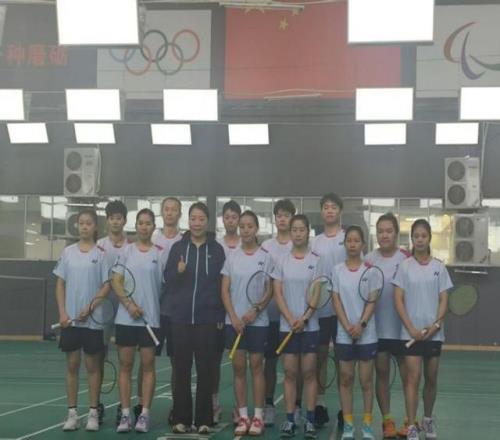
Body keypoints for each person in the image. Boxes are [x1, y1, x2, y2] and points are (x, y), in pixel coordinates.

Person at [165, 202, 226, 434]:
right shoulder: (177, 248)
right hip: (180, 319)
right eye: (193, 218)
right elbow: (168, 280)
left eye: (201, 219)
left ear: (207, 221)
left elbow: (221, 285)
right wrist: (178, 272)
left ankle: (204, 420)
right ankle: (181, 418)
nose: (197, 223)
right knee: (181, 369)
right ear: (188, 221)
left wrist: (219, 314)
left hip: (207, 319)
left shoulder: (217, 250)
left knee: (205, 370)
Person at [393, 219, 453, 440]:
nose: (419, 239)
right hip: (410, 334)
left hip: (433, 335)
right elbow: (398, 300)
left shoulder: (439, 267)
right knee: (412, 378)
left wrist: (436, 325)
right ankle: (411, 425)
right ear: (412, 239)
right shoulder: (404, 267)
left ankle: (428, 420)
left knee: (431, 378)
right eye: (416, 236)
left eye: (423, 236)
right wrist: (411, 328)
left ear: (429, 238)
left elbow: (444, 299)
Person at [53, 209, 110, 432]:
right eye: (81, 223)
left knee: (92, 366)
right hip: (71, 321)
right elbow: (60, 284)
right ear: (77, 226)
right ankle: (72, 414)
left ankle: (93, 413)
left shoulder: (102, 254)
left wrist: (91, 306)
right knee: (72, 365)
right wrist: (62, 313)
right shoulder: (67, 253)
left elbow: (106, 286)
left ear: (95, 227)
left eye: (89, 223)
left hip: (93, 321)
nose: (84, 226)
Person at [112, 208, 167, 433]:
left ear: (154, 227)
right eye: (140, 223)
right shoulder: (126, 251)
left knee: (148, 366)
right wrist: (129, 305)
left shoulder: (160, 254)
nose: (144, 226)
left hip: (150, 320)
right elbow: (116, 281)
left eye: (148, 223)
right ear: (135, 226)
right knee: (125, 366)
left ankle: (144, 414)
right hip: (126, 319)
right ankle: (126, 415)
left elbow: (165, 286)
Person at [222, 210, 273, 436]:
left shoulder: (266, 256)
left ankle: (258, 417)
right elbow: (224, 290)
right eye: (242, 226)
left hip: (258, 322)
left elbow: (270, 289)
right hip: (234, 323)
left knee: (257, 367)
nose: (245, 230)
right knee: (239, 368)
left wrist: (256, 310)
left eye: (249, 226)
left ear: (256, 229)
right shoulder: (232, 257)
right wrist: (233, 317)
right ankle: (243, 416)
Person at [273, 214, 324, 439]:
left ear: (307, 232)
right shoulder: (281, 260)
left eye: (302, 229)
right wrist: (290, 318)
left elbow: (317, 293)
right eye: (294, 229)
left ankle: (310, 420)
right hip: (288, 327)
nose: (298, 233)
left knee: (310, 373)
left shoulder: (317, 260)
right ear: (290, 232)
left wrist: (304, 318)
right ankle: (290, 419)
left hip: (309, 327)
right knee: (290, 373)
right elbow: (277, 292)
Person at [365, 213, 410, 438]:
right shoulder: (368, 259)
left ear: (396, 234)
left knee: (408, 377)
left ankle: (409, 420)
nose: (384, 235)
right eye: (380, 231)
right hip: (378, 329)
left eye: (389, 231)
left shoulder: (407, 258)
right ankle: (387, 421)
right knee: (382, 374)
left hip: (403, 330)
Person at [331, 226, 377, 440]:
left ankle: (367, 425)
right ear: (345, 244)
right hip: (344, 333)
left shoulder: (371, 270)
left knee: (366, 380)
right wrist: (347, 325)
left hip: (367, 334)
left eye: (356, 240)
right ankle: (348, 425)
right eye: (349, 240)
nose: (352, 244)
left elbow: (372, 301)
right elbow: (336, 300)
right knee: (346, 379)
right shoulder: (337, 270)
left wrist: (361, 325)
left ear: (363, 244)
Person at [310, 192, 346, 428]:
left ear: (340, 211)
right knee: (320, 358)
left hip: (344, 310)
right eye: (326, 207)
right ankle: (320, 405)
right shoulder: (314, 242)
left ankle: (345, 408)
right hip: (321, 310)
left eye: (334, 207)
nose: (330, 210)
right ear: (322, 211)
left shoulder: (348, 238)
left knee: (344, 361)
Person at [261, 198, 296, 426]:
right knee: (270, 363)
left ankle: (297, 406)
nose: (282, 219)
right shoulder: (266, 246)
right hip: (270, 316)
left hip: (294, 318)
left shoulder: (299, 243)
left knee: (294, 366)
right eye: (279, 215)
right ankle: (268, 405)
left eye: (286, 215)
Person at [97, 200, 131, 426]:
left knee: (125, 359)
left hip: (125, 307)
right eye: (112, 218)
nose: (116, 221)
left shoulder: (131, 247)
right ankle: (96, 404)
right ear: (107, 221)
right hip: (103, 307)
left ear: (124, 221)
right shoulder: (99, 246)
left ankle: (123, 406)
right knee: (99, 356)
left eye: (119, 218)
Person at [151, 197, 183, 425]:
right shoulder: (153, 238)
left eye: (174, 210)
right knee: (147, 361)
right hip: (153, 311)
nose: (170, 213)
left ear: (179, 213)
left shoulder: (184, 240)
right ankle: (142, 408)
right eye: (167, 209)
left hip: (176, 312)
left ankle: (177, 406)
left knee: (177, 363)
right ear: (162, 213)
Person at [215, 199, 242, 423]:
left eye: (234, 217)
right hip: (217, 312)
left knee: (239, 365)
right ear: (222, 220)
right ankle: (213, 404)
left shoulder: (247, 245)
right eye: (227, 217)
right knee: (213, 360)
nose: (231, 221)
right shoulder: (216, 245)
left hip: (240, 315)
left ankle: (238, 407)